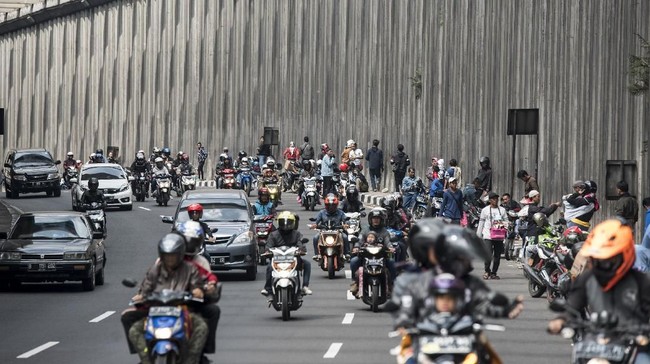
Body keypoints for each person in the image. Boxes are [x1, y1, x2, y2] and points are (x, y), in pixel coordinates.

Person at [547, 220, 650, 363]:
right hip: (595, 342)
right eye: (599, 258)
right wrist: (561, 319)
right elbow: (573, 306)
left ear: (624, 254)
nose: (603, 263)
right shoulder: (588, 278)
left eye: (610, 257)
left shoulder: (642, 281)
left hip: (634, 344)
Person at [126, 234, 207, 364]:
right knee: (134, 331)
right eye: (167, 255)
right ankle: (146, 359)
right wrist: (141, 295)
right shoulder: (154, 270)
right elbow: (145, 289)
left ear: (180, 254)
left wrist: (198, 291)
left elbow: (197, 286)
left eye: (173, 255)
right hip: (156, 312)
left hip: (182, 311)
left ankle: (191, 360)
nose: (170, 259)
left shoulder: (190, 269)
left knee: (201, 327)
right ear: (162, 255)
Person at [168, 221, 221, 357]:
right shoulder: (167, 258)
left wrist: (206, 289)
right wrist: (142, 292)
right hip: (166, 304)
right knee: (132, 319)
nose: (189, 245)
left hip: (190, 304)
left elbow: (210, 279)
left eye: (193, 241)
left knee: (211, 313)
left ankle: (202, 351)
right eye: (186, 241)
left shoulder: (200, 262)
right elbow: (151, 278)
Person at [261, 211, 312, 296]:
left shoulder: (296, 234)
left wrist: (301, 250)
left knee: (307, 264)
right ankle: (267, 288)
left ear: (293, 223)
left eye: (288, 223)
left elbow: (301, 245)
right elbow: (268, 247)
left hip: (293, 259)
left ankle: (305, 286)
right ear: (279, 223)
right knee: (269, 267)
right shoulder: (273, 235)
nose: (286, 225)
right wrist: (267, 252)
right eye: (283, 222)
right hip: (277, 260)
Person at [348, 231, 396, 296]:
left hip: (381, 256)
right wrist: (356, 247)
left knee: (391, 262)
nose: (375, 220)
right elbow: (359, 241)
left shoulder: (384, 232)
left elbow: (388, 242)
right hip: (365, 256)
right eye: (374, 219)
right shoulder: (365, 231)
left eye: (378, 219)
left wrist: (390, 247)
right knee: (354, 261)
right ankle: (356, 283)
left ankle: (391, 284)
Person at [477, 192, 507, 280]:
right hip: (488, 235)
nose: (495, 200)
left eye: (497, 198)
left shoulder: (502, 210)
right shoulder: (485, 210)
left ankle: (494, 272)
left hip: (499, 235)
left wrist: (505, 231)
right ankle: (487, 271)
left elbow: (506, 221)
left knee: (497, 256)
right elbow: (481, 222)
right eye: (493, 199)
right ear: (490, 200)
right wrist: (479, 234)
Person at [311, 194, 350, 260]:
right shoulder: (321, 212)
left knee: (345, 237)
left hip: (337, 231)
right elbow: (317, 220)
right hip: (324, 231)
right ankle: (317, 254)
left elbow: (345, 219)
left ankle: (346, 253)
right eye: (329, 205)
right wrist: (315, 225)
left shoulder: (340, 212)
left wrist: (346, 225)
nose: (331, 207)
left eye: (333, 206)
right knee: (315, 238)